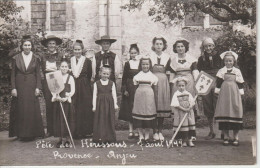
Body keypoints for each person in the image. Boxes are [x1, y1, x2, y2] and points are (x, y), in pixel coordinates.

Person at [9, 35, 45, 141]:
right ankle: (21, 134)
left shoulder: (36, 58)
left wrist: (38, 87)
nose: (27, 47)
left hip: (32, 84)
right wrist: (13, 88)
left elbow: (38, 74)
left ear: (32, 46)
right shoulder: (16, 58)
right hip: (19, 85)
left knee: (31, 109)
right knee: (20, 108)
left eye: (29, 45)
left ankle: (32, 133)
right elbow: (13, 74)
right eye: (25, 45)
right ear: (22, 46)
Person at [214, 51, 244, 146]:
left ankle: (235, 136)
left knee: (236, 110)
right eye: (226, 61)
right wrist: (217, 92)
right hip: (224, 94)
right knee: (224, 111)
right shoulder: (221, 71)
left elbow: (240, 83)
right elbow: (218, 83)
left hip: (234, 93)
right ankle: (226, 136)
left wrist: (240, 93)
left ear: (234, 61)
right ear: (224, 61)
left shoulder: (237, 71)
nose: (228, 63)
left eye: (230, 61)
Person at [197, 38, 223, 140]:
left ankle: (222, 131)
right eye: (206, 46)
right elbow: (200, 70)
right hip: (206, 81)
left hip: (217, 81)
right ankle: (212, 131)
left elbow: (222, 69)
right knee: (208, 106)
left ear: (214, 46)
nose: (208, 48)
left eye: (210, 46)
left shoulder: (219, 56)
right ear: (203, 48)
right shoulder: (201, 58)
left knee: (218, 105)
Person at [170, 38, 199, 125]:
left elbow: (195, 72)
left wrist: (196, 84)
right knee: (178, 101)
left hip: (189, 83)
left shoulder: (192, 59)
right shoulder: (173, 61)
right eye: (178, 47)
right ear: (175, 48)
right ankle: (179, 126)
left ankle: (190, 125)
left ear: (185, 47)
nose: (180, 48)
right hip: (177, 83)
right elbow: (171, 75)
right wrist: (171, 84)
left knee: (188, 101)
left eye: (182, 46)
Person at [150, 37, 172, 141]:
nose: (159, 46)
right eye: (157, 44)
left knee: (162, 106)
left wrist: (168, 84)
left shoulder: (167, 57)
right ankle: (154, 131)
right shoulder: (149, 56)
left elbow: (168, 72)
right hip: (153, 82)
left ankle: (160, 130)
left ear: (164, 46)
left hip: (163, 83)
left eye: (161, 44)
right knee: (154, 106)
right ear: (153, 45)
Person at [40, 35, 63, 137]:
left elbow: (64, 68)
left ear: (56, 45)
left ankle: (59, 129)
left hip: (58, 80)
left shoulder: (61, 55)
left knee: (58, 103)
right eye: (50, 43)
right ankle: (50, 130)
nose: (52, 45)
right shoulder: (42, 56)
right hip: (47, 81)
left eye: (53, 43)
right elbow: (40, 70)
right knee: (49, 104)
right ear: (46, 45)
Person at [132, 57, 158, 145]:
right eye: (143, 64)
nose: (145, 66)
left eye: (147, 64)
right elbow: (135, 87)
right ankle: (140, 136)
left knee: (148, 116)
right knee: (139, 116)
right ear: (140, 65)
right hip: (139, 97)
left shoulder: (153, 77)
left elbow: (155, 89)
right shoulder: (137, 76)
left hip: (149, 98)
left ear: (150, 65)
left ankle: (147, 136)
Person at [70, 40, 93, 138]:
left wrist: (85, 84)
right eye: (75, 49)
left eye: (79, 49)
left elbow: (90, 74)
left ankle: (84, 131)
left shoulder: (87, 61)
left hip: (84, 85)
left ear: (82, 50)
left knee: (84, 107)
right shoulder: (70, 60)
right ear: (73, 50)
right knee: (74, 106)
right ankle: (75, 131)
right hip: (73, 84)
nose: (77, 51)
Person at [118, 44, 140, 139]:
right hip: (130, 88)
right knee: (130, 109)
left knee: (139, 109)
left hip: (138, 87)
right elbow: (124, 78)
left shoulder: (141, 63)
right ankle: (131, 131)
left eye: (135, 53)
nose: (133, 55)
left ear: (138, 53)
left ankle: (138, 130)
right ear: (129, 54)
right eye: (132, 53)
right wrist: (124, 89)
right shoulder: (127, 64)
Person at [92, 66, 119, 144]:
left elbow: (114, 95)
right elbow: (94, 95)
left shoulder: (111, 83)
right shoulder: (96, 83)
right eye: (104, 73)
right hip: (100, 104)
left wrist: (115, 105)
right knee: (100, 120)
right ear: (100, 73)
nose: (105, 75)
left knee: (109, 120)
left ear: (109, 75)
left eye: (107, 74)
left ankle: (110, 138)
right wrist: (94, 106)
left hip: (109, 104)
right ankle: (100, 138)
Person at [52, 60, 75, 148]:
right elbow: (53, 88)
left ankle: (68, 139)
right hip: (59, 101)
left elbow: (73, 90)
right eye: (62, 66)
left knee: (68, 120)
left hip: (66, 102)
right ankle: (60, 139)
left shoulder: (70, 78)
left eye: (65, 66)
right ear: (59, 67)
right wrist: (56, 96)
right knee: (59, 120)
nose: (64, 68)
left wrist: (67, 97)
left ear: (68, 68)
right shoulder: (56, 77)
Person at [171, 77, 196, 147]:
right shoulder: (176, 94)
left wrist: (190, 107)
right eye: (179, 86)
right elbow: (176, 105)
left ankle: (189, 140)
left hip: (188, 113)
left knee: (189, 125)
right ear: (177, 86)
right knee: (182, 126)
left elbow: (192, 102)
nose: (181, 87)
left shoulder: (188, 93)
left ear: (185, 86)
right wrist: (184, 109)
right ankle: (183, 141)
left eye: (183, 86)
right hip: (180, 113)